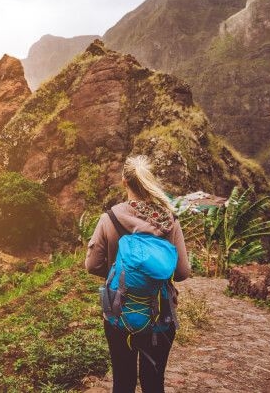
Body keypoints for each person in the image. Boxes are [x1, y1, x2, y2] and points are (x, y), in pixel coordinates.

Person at [85, 155, 190, 393]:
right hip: (161, 315)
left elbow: (91, 265)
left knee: (123, 382)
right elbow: (182, 272)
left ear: (124, 181)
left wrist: (119, 273)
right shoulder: (169, 221)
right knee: (154, 384)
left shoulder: (109, 219)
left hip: (119, 313)